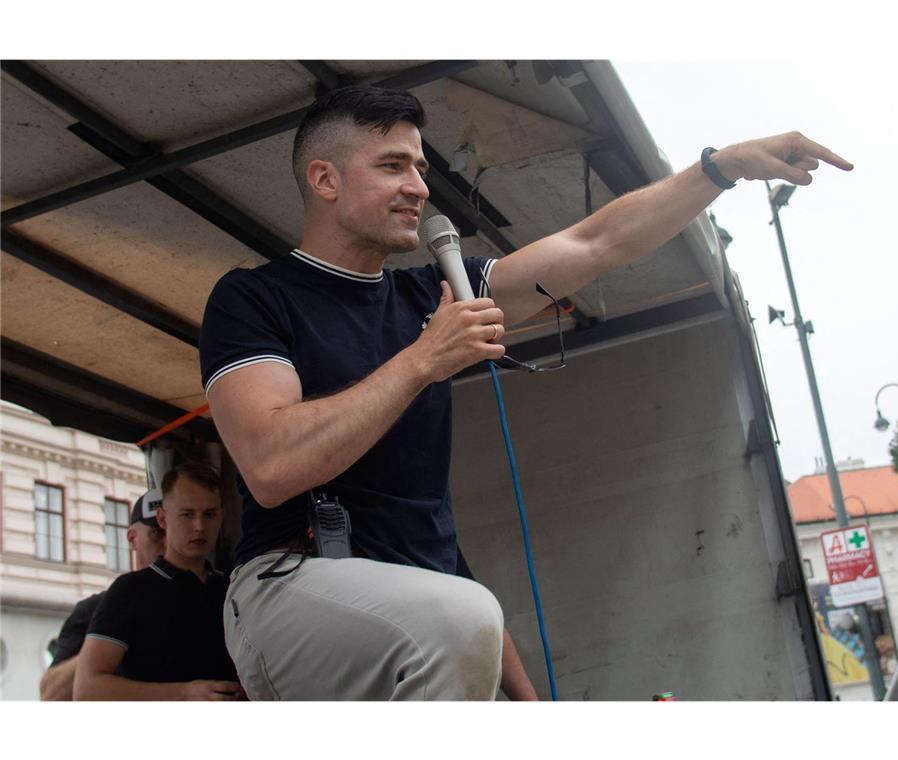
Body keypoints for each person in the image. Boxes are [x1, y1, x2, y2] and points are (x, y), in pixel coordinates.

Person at [200, 84, 851, 701]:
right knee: (459, 618)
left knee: (465, 622)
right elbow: (271, 466)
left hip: (424, 604)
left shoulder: (433, 294)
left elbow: (594, 241)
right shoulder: (255, 299)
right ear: (326, 179)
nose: (419, 188)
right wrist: (423, 359)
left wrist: (720, 168)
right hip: (286, 592)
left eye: (421, 168)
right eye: (394, 166)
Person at [73, 462, 243, 700]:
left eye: (209, 514)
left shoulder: (233, 589)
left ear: (221, 518)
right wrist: (184, 694)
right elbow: (87, 689)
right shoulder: (130, 590)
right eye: (187, 514)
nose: (199, 527)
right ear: (162, 519)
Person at [38, 487, 166, 701]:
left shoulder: (208, 598)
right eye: (157, 533)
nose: (166, 543)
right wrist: (106, 645)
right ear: (133, 538)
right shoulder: (96, 609)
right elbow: (51, 695)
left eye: (173, 530)